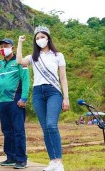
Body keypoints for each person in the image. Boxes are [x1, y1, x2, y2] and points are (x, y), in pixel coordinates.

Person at [17, 26, 69, 171]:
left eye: (42, 37)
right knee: (45, 128)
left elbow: (63, 78)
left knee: (52, 125)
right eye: (37, 38)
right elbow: (19, 61)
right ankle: (52, 161)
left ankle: (59, 162)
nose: (40, 40)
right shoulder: (34, 57)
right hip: (38, 92)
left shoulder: (58, 55)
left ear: (48, 38)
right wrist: (20, 43)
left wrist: (66, 98)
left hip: (54, 92)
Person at [0, 38, 30, 169]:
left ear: (12, 47)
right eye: (1, 46)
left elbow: (26, 79)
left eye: (6, 46)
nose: (3, 48)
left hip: (15, 100)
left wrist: (23, 98)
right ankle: (10, 157)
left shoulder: (19, 61)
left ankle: (21, 159)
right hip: (2, 101)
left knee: (18, 130)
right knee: (7, 131)